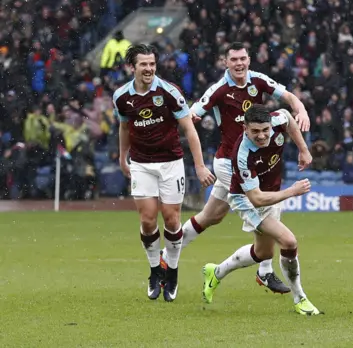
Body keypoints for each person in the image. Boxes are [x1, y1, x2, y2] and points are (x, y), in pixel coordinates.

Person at [159, 42, 311, 294]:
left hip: (247, 160)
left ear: (249, 59)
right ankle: (264, 271)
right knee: (263, 207)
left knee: (211, 217)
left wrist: (301, 108)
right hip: (230, 163)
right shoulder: (220, 89)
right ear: (225, 62)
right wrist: (190, 118)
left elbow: (288, 97)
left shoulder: (258, 80)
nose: (239, 64)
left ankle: (167, 254)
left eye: (243, 59)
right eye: (234, 60)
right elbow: (194, 111)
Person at [114, 44, 215, 302]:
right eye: (143, 64)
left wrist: (200, 165)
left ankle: (172, 270)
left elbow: (190, 129)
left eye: (152, 64)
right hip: (141, 163)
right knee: (148, 220)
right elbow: (125, 127)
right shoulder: (121, 97)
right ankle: (154, 270)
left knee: (171, 220)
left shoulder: (170, 92)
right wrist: (122, 156)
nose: (148, 69)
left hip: (171, 163)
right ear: (132, 67)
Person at [202, 105, 322, 316]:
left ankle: (216, 272)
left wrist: (303, 149)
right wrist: (292, 191)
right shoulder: (242, 155)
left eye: (265, 130)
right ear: (244, 128)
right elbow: (256, 199)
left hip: (270, 192)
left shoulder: (277, 120)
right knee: (289, 241)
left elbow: (287, 116)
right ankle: (300, 298)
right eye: (255, 131)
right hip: (247, 200)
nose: (262, 135)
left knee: (263, 252)